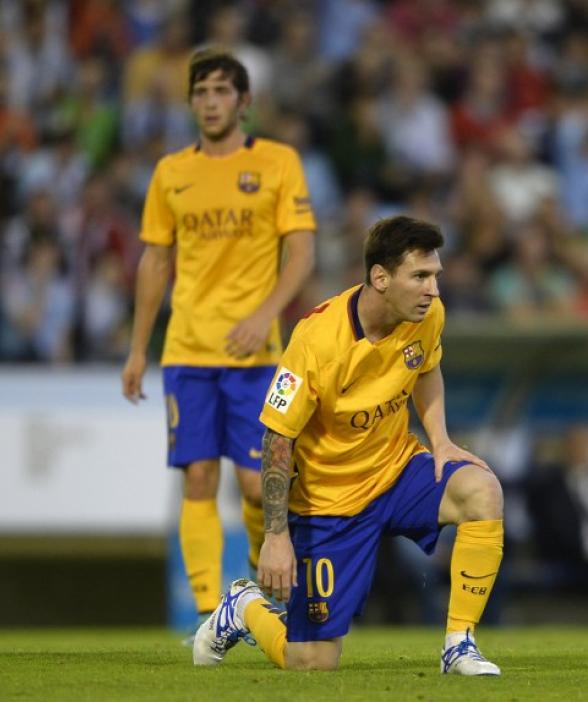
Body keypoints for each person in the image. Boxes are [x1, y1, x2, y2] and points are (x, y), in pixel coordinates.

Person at [192, 216, 504, 675]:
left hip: (396, 471)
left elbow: (426, 368)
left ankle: (459, 644)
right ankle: (243, 607)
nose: (433, 289)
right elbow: (277, 437)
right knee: (311, 662)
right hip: (328, 502)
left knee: (483, 490)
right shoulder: (316, 340)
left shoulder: (426, 315)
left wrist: (440, 441)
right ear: (381, 278)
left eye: (435, 275)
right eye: (420, 276)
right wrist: (276, 537)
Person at [121, 49, 315, 634]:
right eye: (201, 92)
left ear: (245, 102)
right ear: (190, 103)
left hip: (255, 355)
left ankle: (265, 583)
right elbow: (155, 261)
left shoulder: (278, 163)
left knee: (257, 485)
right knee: (198, 477)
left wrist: (265, 314)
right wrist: (138, 349)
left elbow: (301, 252)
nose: (211, 102)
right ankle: (209, 613)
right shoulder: (171, 172)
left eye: (222, 91)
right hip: (188, 350)